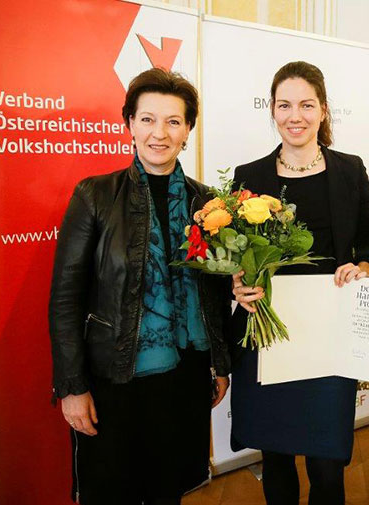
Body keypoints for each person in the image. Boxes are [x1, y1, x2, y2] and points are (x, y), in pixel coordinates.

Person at [48, 68, 231, 505]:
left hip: (186, 377)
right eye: (147, 119)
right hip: (116, 378)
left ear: (188, 129)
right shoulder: (94, 195)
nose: (159, 133)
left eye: (173, 121)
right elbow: (65, 299)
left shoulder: (208, 203)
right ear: (129, 123)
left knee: (169, 490)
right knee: (113, 492)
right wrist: (72, 386)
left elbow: (215, 291)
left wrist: (220, 363)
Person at [229, 61, 369, 505]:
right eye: (285, 105)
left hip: (330, 333)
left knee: (328, 464)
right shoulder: (248, 176)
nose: (295, 115)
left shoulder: (350, 170)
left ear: (324, 111)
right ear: (272, 111)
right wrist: (238, 284)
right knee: (275, 459)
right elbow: (237, 256)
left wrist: (364, 269)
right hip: (267, 333)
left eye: (306, 105)